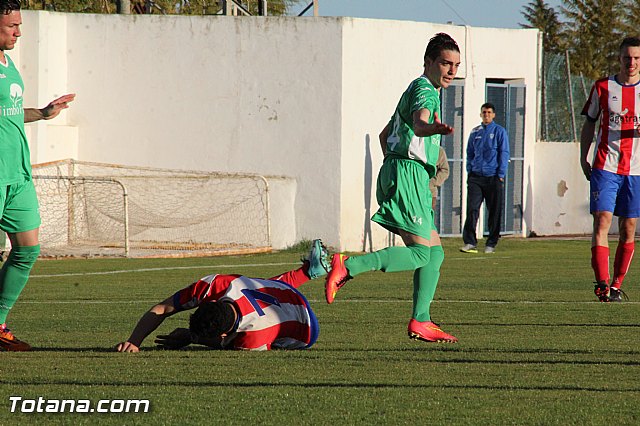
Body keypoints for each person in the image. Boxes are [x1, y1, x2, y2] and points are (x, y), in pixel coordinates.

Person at [324, 33, 460, 343]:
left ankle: (421, 320)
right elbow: (420, 122)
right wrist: (431, 132)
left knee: (435, 254)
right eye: (445, 63)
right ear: (428, 62)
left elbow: (387, 135)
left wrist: (396, 169)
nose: (451, 70)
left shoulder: (415, 88)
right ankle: (349, 266)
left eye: (455, 65)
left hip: (404, 173)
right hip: (407, 175)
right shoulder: (426, 90)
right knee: (419, 254)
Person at [0, 1, 76, 351]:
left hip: (18, 175)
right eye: (11, 26)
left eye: (19, 24)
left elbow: (11, 113)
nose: (18, 32)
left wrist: (44, 113)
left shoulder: (8, 62)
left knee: (28, 251)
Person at [115, 239, 329, 352]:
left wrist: (192, 338)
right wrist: (134, 341)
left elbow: (161, 308)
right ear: (211, 300)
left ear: (225, 335)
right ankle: (308, 271)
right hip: (285, 291)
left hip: (308, 328)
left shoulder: (252, 338)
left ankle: (313, 270)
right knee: (261, 286)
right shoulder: (217, 284)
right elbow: (162, 309)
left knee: (272, 310)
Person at [580, 36, 640, 303]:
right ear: (620, 58)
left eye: (637, 58)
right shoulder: (603, 87)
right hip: (605, 165)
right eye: (627, 57)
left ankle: (616, 285)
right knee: (602, 220)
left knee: (628, 227)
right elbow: (589, 123)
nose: (632, 62)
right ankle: (602, 284)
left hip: (636, 170)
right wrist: (584, 156)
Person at [459, 103, 510, 255]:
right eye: (484, 112)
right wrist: (470, 170)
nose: (486, 115)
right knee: (472, 209)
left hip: (493, 177)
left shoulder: (499, 131)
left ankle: (491, 243)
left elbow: (504, 152)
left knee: (494, 211)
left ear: (493, 115)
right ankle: (470, 241)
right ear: (480, 114)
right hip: (476, 177)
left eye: (489, 112)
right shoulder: (475, 132)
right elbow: (470, 153)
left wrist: (500, 174)